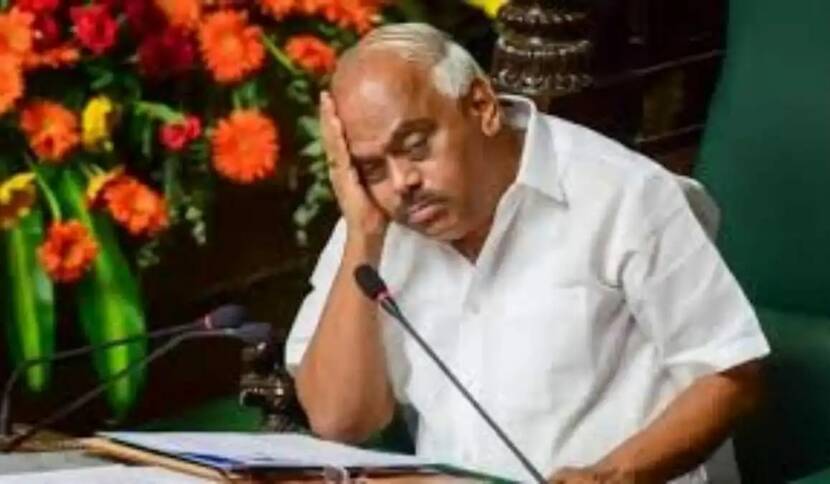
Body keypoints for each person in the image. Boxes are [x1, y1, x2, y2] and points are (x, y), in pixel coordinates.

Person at [285, 22, 769, 484]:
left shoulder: (623, 193)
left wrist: (614, 475)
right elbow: (340, 421)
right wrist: (363, 237)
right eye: (372, 168)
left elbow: (731, 375)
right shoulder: (373, 222)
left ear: (481, 106)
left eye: (415, 146)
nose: (401, 182)